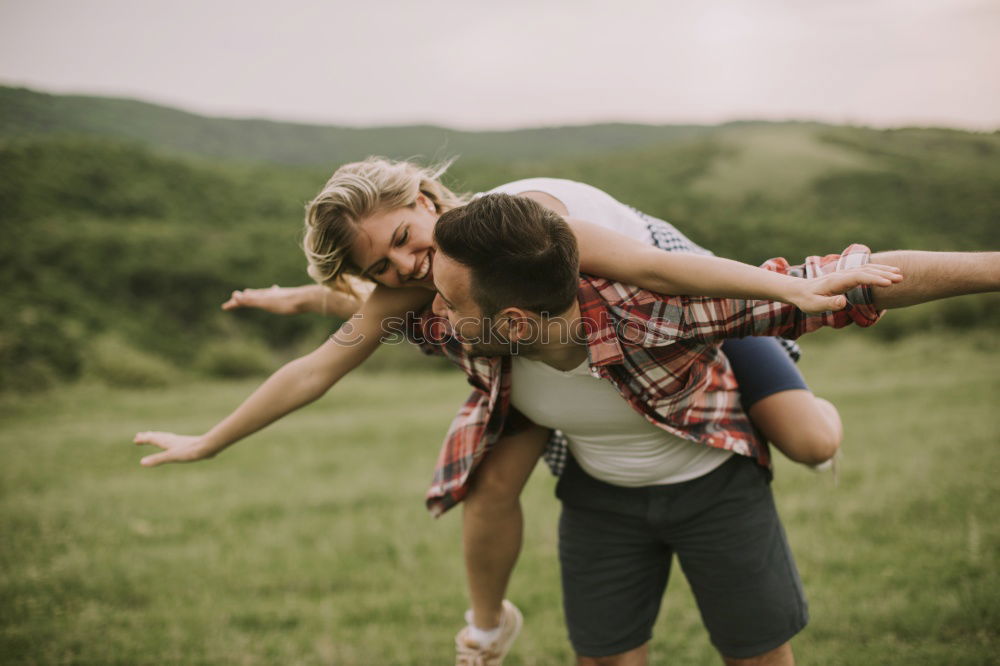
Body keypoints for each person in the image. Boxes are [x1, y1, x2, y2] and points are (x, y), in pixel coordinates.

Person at [133, 159, 899, 664]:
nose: (404, 266)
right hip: (569, 361)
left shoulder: (526, 221)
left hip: (694, 318)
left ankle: (797, 396)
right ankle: (487, 622)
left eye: (404, 238)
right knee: (491, 476)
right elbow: (322, 363)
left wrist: (791, 291)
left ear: (429, 199)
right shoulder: (419, 281)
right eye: (382, 265)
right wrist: (210, 440)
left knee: (808, 437)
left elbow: (660, 268)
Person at [420, 192, 999, 665]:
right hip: (600, 500)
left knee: (756, 655)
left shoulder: (658, 312)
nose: (432, 311)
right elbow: (360, 308)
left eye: (445, 300)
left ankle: (808, 410)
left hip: (715, 484)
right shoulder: (460, 325)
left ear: (516, 323)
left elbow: (858, 282)